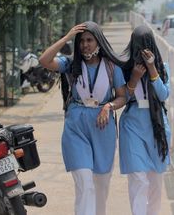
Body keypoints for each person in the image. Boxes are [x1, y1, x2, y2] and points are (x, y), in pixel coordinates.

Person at [39, 21, 126, 215]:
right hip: (76, 127)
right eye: (81, 41)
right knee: (85, 182)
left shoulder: (112, 67)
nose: (85, 44)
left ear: (99, 42)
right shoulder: (70, 64)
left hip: (103, 127)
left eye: (89, 40)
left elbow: (122, 96)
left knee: (101, 184)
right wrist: (68, 37)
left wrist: (108, 106)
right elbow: (44, 60)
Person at [119, 25, 171, 215]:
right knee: (138, 178)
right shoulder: (124, 67)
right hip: (132, 124)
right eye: (138, 45)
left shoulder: (162, 68)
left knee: (156, 179)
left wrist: (151, 68)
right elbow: (123, 98)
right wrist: (134, 77)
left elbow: (163, 95)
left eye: (146, 44)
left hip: (156, 126)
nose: (142, 49)